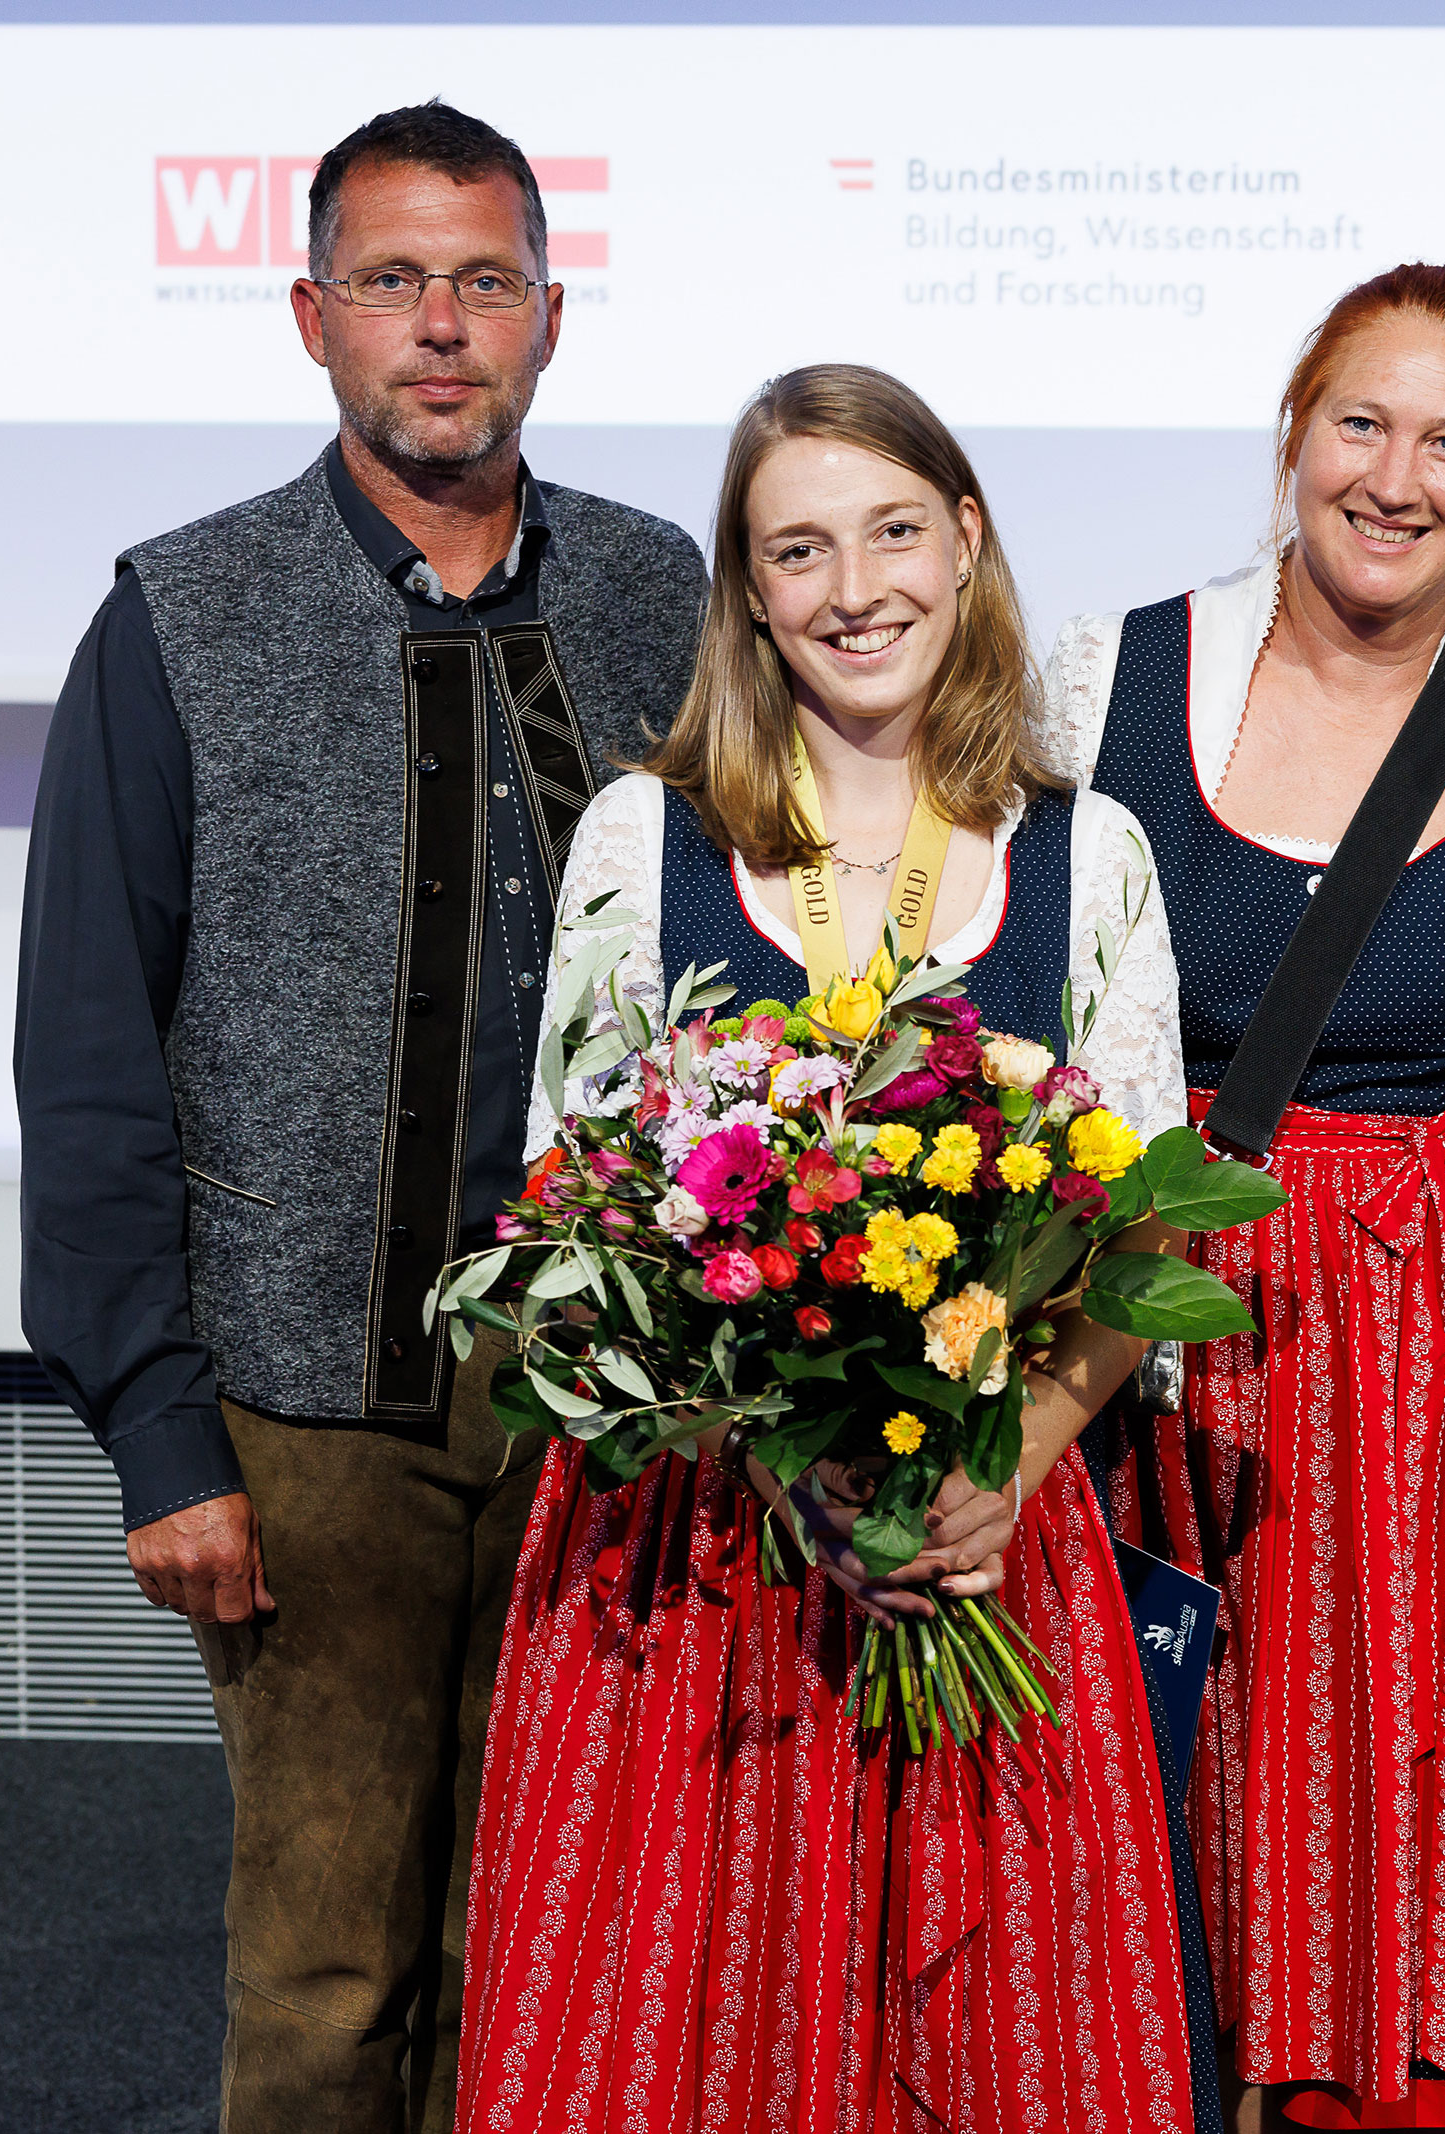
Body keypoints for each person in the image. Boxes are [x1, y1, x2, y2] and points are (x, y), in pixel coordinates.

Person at [14, 100, 705, 2133]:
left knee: (550, 1944)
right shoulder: (180, 615)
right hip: (306, 1415)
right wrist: (157, 1427)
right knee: (328, 1968)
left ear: (548, 320)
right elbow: (86, 1051)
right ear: (311, 315)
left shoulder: (666, 595)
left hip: (613, 1408)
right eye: (393, 282)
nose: (440, 326)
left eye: (482, 281)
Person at [453, 363, 1198, 2132]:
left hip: (984, 1537)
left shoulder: (1089, 851)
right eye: (800, 550)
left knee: (1001, 2058)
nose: (854, 587)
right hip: (702, 1553)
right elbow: (581, 1215)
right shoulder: (650, 840)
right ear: (751, 592)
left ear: (969, 542)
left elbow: (1144, 1216)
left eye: (890, 531)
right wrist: (788, 1470)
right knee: (686, 2048)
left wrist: (1005, 1469)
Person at [1052, 262, 1445, 2128]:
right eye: (1361, 422)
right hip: (1152, 1315)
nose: (1396, 476)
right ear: (1290, 435)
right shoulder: (1105, 676)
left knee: (1423, 1786)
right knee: (1167, 1768)